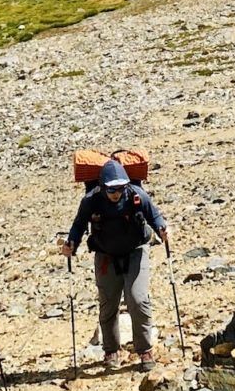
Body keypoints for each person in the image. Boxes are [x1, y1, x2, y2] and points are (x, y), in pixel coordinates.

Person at [58, 157, 170, 368]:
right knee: (108, 303)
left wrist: (162, 229)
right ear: (102, 187)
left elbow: (154, 216)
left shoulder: (137, 195)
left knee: (138, 299)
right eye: (111, 189)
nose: (116, 193)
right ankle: (111, 351)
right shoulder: (91, 201)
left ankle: (145, 351)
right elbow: (79, 225)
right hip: (105, 256)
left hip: (136, 251)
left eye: (120, 188)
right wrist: (71, 243)